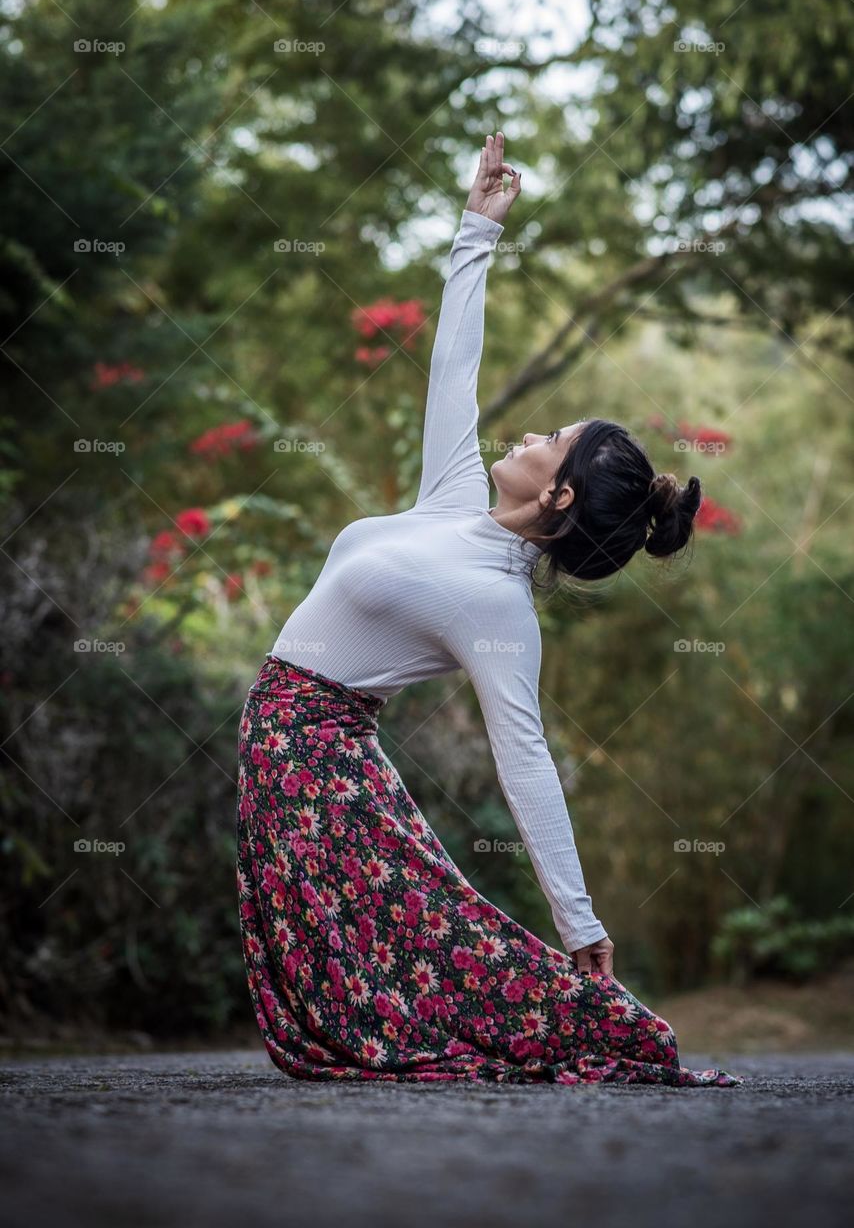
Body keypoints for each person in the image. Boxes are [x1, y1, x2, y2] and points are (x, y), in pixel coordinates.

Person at [236, 131, 743, 1087]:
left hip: (318, 759)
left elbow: (528, 764)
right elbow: (451, 368)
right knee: (381, 969)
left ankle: (596, 1019)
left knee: (423, 960)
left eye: (554, 440)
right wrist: (477, 228)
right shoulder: (454, 496)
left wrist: (580, 921)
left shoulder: (497, 606)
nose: (535, 432)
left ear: (557, 497)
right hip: (298, 756)